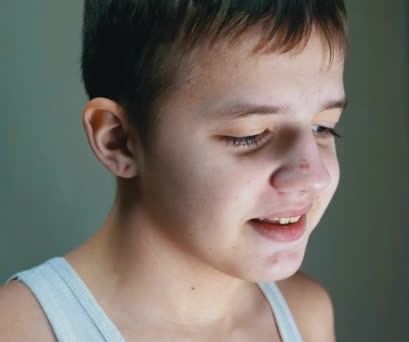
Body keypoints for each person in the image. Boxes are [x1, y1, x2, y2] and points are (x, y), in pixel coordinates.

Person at [0, 1, 348, 341]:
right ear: (118, 140)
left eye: (324, 128)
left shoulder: (305, 315)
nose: (312, 176)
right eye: (250, 135)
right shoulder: (19, 329)